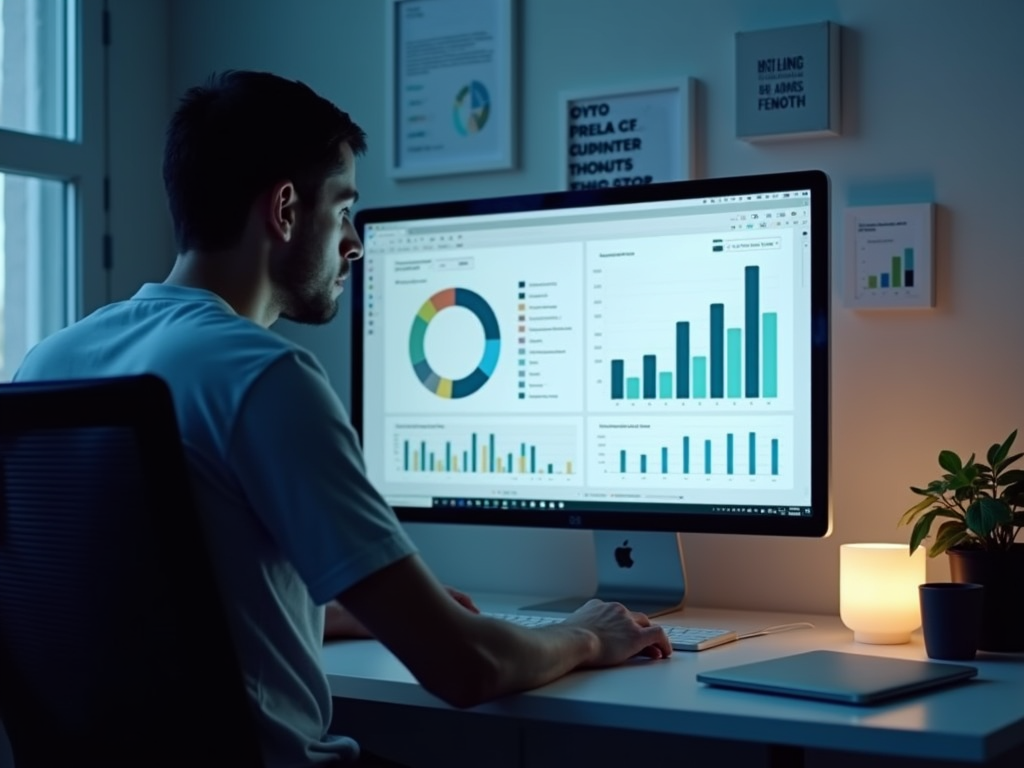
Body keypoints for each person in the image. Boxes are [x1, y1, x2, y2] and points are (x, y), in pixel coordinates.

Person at [13, 70, 671, 768]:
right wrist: (588, 635)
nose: (354, 243)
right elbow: (466, 667)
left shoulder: (50, 360)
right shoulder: (261, 375)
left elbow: (135, 606)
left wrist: (326, 610)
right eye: (345, 208)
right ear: (287, 209)